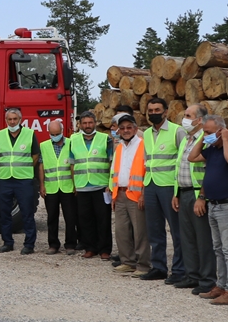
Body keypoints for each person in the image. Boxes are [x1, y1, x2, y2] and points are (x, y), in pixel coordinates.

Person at [188, 113, 228, 306]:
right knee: (218, 248)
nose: (206, 135)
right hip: (214, 204)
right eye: (204, 132)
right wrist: (202, 138)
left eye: (209, 132)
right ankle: (221, 286)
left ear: (221, 130)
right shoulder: (211, 149)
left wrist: (225, 139)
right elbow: (192, 157)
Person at [139, 97, 187, 283]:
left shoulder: (177, 131)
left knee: (176, 230)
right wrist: (144, 188)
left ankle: (179, 270)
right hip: (151, 185)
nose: (153, 114)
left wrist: (178, 191)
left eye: (157, 110)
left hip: (169, 186)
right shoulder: (147, 134)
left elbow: (183, 161)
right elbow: (147, 162)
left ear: (166, 112)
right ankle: (158, 267)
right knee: (155, 230)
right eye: (150, 111)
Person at [172, 104, 215, 293]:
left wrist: (202, 197)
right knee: (187, 238)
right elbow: (179, 167)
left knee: (203, 240)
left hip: (198, 194)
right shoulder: (186, 139)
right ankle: (192, 276)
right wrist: (176, 193)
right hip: (184, 192)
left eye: (189, 115)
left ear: (200, 120)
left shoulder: (206, 140)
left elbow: (208, 170)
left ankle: (206, 281)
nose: (185, 119)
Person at [110, 115, 151, 277]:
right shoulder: (120, 147)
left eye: (129, 127)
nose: (126, 131)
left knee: (140, 232)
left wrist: (143, 194)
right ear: (118, 130)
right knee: (121, 231)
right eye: (122, 128)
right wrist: (114, 195)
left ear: (135, 129)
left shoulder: (143, 145)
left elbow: (147, 171)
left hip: (136, 195)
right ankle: (127, 261)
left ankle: (143, 265)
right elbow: (115, 172)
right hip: (120, 194)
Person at [0, 107, 39, 254]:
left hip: (24, 179)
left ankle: (29, 244)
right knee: (4, 212)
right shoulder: (0, 135)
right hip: (5, 179)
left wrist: (23, 169)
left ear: (20, 119)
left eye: (15, 119)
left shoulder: (29, 134)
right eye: (9, 119)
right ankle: (7, 242)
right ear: (6, 120)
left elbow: (35, 156)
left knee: (27, 212)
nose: (12, 121)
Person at [71, 111, 113, 260]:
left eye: (90, 123)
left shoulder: (105, 139)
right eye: (84, 123)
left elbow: (111, 162)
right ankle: (90, 248)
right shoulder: (74, 140)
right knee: (85, 220)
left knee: (103, 219)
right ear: (80, 124)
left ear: (95, 123)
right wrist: (74, 184)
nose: (87, 126)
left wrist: (110, 183)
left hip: (101, 185)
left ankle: (104, 249)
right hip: (82, 186)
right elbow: (72, 164)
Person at [39, 119, 79, 255]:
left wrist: (75, 184)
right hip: (50, 187)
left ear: (62, 131)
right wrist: (41, 185)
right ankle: (53, 244)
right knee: (52, 217)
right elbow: (41, 166)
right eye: (52, 133)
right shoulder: (43, 146)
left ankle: (71, 244)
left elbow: (74, 165)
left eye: (57, 133)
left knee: (70, 217)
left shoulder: (71, 143)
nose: (54, 136)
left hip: (68, 187)